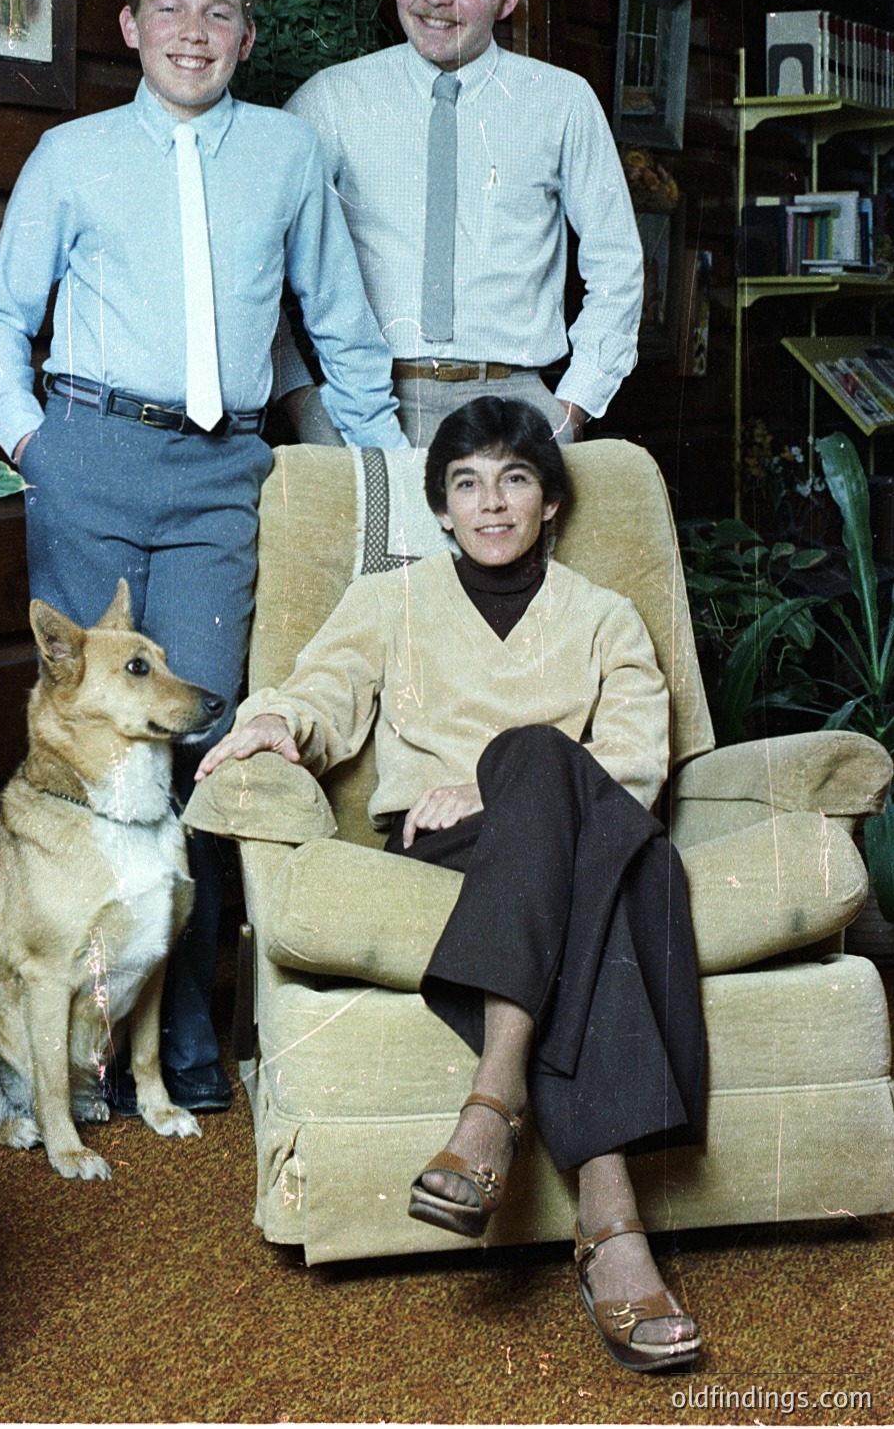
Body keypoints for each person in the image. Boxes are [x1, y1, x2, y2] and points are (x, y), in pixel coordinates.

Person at [0, 0, 405, 1116]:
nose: (193, 33)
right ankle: (93, 1038)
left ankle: (188, 1025)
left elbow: (342, 332)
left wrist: (391, 484)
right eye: (169, 7)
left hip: (223, 472)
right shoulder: (70, 155)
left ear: (246, 35)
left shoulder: (285, 155)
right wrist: (30, 442)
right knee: (99, 738)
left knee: (201, 740)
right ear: (129, 25)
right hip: (90, 454)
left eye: (217, 13)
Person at [196, 396, 705, 1373]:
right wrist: (278, 724)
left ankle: (493, 1111)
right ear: (438, 507)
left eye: (515, 479)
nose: (492, 503)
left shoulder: (605, 618)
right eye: (466, 483)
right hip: (445, 852)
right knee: (556, 797)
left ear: (549, 501)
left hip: (584, 836)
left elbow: (634, 767)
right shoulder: (389, 602)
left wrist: (492, 781)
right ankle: (614, 1235)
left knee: (544, 764)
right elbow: (322, 692)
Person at [275, 0, 643, 448]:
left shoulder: (562, 102)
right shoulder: (331, 100)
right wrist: (301, 401)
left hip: (513, 409)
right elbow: (254, 258)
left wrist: (570, 412)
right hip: (365, 405)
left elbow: (617, 265)